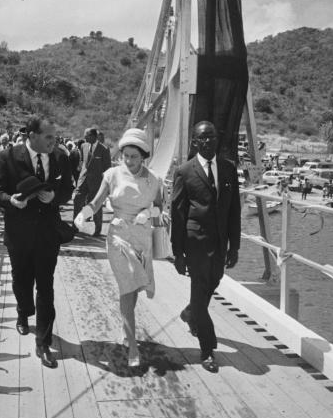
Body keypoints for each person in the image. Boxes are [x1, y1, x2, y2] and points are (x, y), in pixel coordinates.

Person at [0, 116, 74, 369]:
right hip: (19, 233)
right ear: (32, 136)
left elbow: (68, 189)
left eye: (55, 137)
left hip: (48, 233)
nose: (54, 141)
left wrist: (55, 197)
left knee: (46, 287)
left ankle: (43, 343)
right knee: (21, 280)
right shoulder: (8, 157)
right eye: (48, 137)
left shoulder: (61, 157)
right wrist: (11, 201)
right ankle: (23, 312)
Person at [74, 128, 164, 368]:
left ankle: (127, 330)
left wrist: (148, 213)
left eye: (134, 156)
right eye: (126, 156)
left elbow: (159, 211)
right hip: (117, 237)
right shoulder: (112, 174)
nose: (129, 161)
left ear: (143, 155)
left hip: (141, 237)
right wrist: (83, 214)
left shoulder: (153, 179)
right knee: (127, 286)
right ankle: (133, 344)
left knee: (133, 288)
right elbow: (96, 202)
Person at [170, 120, 241, 372]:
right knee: (200, 291)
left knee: (213, 282)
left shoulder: (228, 169)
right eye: (204, 138)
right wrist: (177, 252)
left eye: (212, 137)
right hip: (195, 241)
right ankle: (207, 348)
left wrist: (235, 246)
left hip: (220, 242)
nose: (209, 141)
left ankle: (190, 312)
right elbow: (177, 213)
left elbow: (234, 210)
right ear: (195, 142)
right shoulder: (185, 171)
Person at [73, 126, 113, 236]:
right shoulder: (83, 146)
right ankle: (75, 226)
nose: (85, 137)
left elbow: (108, 169)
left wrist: (106, 186)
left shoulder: (104, 149)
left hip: (96, 182)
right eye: (85, 135)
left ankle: (97, 229)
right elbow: (82, 161)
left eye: (87, 135)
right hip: (83, 180)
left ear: (94, 136)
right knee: (77, 200)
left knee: (95, 205)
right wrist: (80, 170)